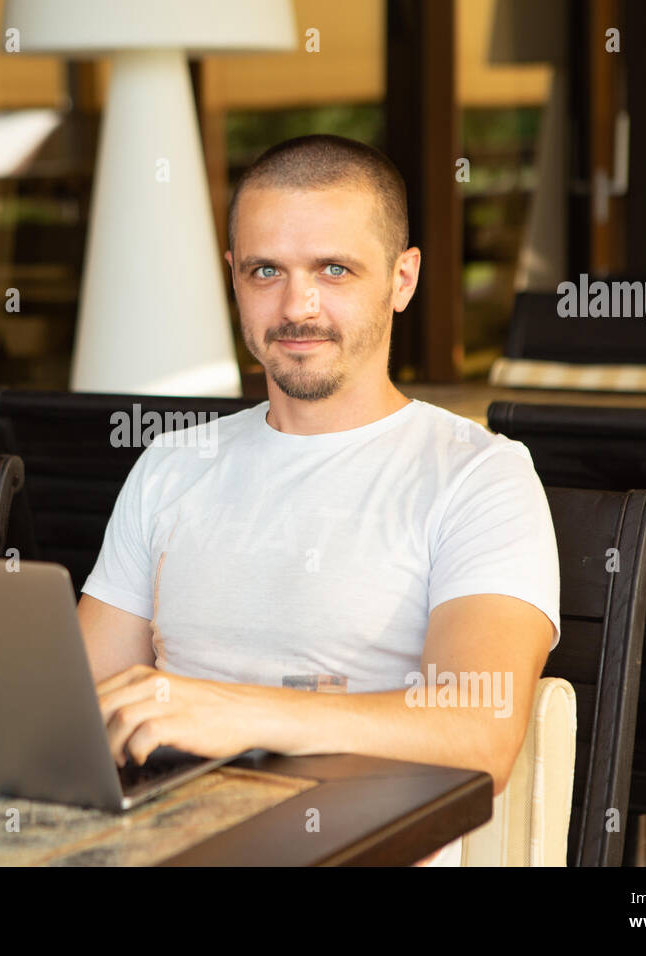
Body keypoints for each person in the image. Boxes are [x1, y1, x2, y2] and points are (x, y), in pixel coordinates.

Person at [80, 134, 560, 867]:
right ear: (233, 278)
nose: (296, 306)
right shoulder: (172, 465)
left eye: (334, 269)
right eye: (265, 270)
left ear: (402, 279)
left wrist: (230, 711)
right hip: (168, 842)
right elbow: (80, 705)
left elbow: (481, 729)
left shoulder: (481, 476)